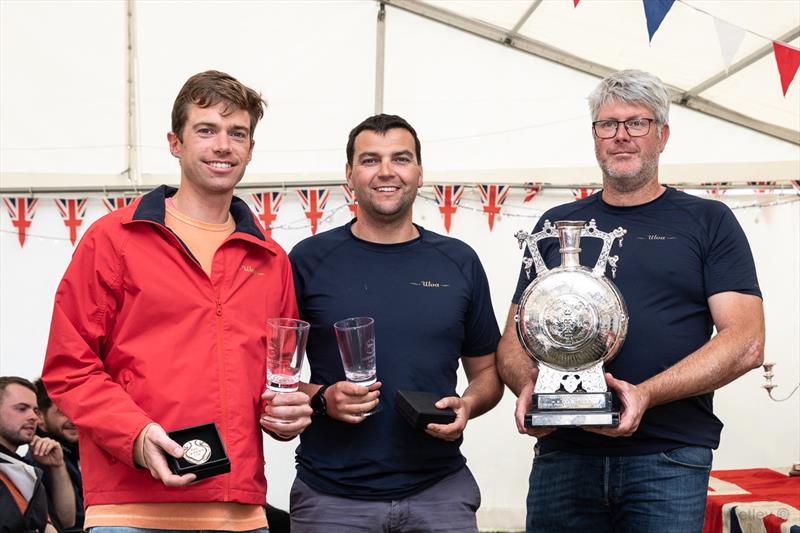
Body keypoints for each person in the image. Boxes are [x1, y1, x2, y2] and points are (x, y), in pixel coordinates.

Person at [42, 70, 312, 532]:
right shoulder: (114, 240)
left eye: (237, 133)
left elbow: (278, 380)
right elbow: (69, 367)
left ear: (249, 148)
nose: (223, 145)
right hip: (129, 509)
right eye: (206, 130)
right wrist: (137, 436)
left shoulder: (271, 260)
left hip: (241, 512)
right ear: (175, 143)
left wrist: (287, 412)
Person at [496, 69, 765, 533]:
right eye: (608, 124)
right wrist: (529, 389)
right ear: (595, 136)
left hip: (668, 458)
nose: (621, 136)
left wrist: (645, 395)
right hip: (564, 457)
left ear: (662, 136)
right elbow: (514, 339)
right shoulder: (556, 224)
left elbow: (746, 341)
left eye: (636, 123)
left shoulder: (709, 221)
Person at [288, 114, 504, 533]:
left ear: (420, 173)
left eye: (400, 159)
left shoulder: (458, 261)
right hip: (331, 499)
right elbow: (272, 373)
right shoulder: (307, 259)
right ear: (349, 174)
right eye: (370, 160)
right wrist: (322, 399)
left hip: (440, 493)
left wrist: (468, 405)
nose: (386, 171)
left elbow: (487, 372)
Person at [0, 376, 75, 533]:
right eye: (21, 408)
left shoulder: (20, 465)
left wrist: (57, 466)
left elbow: (66, 522)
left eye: (35, 410)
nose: (34, 417)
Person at [33, 378, 83, 532]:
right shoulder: (38, 458)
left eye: (78, 411)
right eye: (62, 412)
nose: (73, 419)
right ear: (40, 416)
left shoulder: (77, 453)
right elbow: (68, 522)